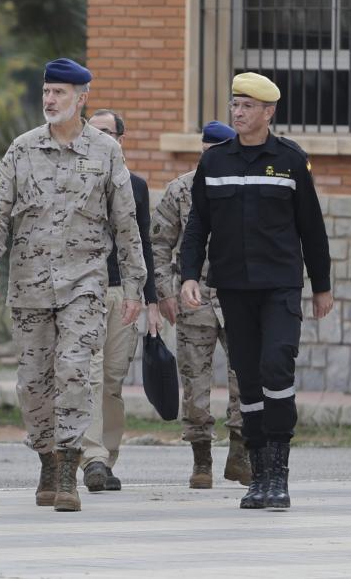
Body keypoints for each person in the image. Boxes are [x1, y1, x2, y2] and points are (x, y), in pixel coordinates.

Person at [0, 59, 146, 512]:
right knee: (33, 384)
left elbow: (126, 223)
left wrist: (134, 287)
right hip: (29, 287)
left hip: (84, 285)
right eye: (46, 92)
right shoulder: (22, 149)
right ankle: (47, 459)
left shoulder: (106, 151)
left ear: (81, 97)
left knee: (73, 370)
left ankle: (69, 468)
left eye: (59, 93)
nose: (49, 100)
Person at [181, 72, 333, 510]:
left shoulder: (289, 160)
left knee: (276, 368)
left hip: (280, 285)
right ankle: (259, 474)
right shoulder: (214, 163)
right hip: (233, 286)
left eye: (247, 106)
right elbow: (197, 225)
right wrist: (190, 274)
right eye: (235, 104)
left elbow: (312, 228)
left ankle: (279, 473)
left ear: (269, 112)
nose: (238, 112)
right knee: (248, 380)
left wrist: (321, 286)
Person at [151, 120, 251, 489]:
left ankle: (240, 454)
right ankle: (202, 458)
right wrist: (165, 292)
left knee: (246, 378)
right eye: (208, 151)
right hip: (194, 299)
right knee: (195, 382)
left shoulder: (246, 186)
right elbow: (159, 245)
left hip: (239, 297)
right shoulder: (181, 190)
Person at [80, 109, 159, 493]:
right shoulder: (76, 179)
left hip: (123, 293)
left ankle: (107, 458)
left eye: (107, 133)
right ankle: (92, 458)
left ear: (120, 139)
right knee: (90, 377)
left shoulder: (136, 186)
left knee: (111, 380)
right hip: (84, 293)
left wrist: (151, 299)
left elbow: (143, 244)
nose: (99, 139)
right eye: (92, 132)